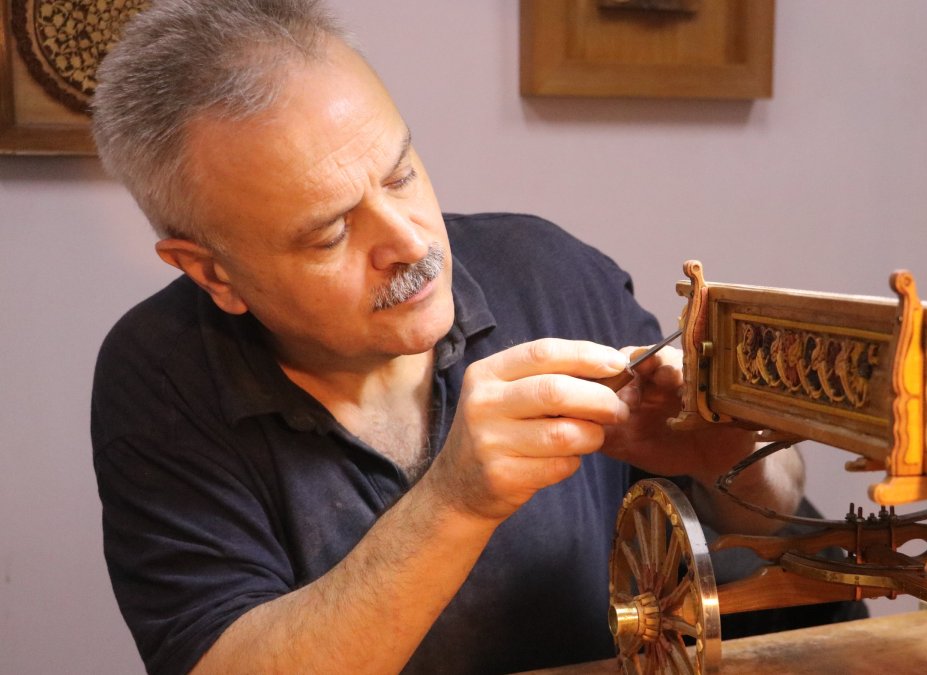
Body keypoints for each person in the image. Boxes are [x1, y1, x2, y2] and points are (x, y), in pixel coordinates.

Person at [89, 1, 848, 673]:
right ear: (212, 273)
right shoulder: (161, 375)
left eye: (400, 175)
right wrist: (454, 501)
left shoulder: (551, 271)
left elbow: (780, 568)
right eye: (329, 233)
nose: (410, 241)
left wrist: (739, 466)